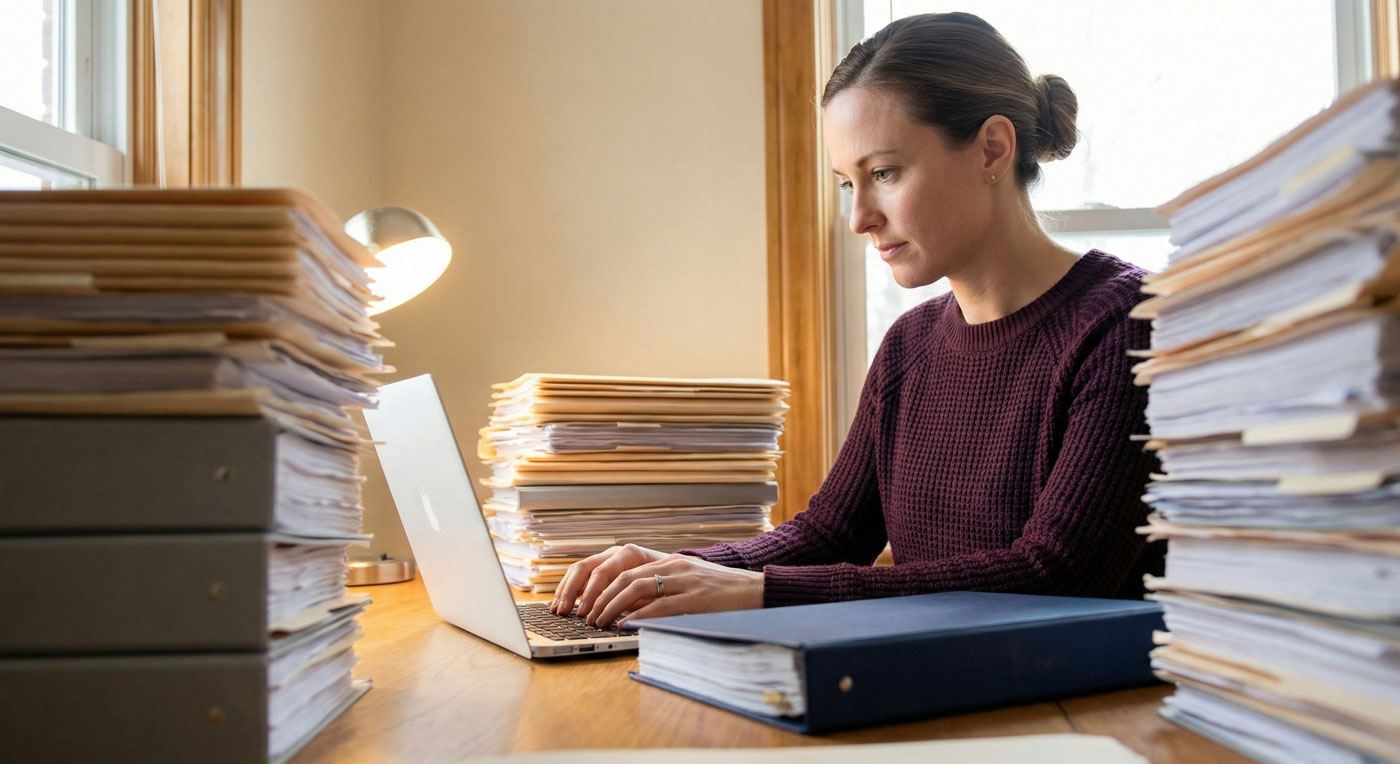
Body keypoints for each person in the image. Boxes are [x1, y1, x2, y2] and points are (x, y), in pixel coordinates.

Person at [550, 11, 1162, 628]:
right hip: (938, 688)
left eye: (884, 174)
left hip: (1077, 713)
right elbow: (832, 532)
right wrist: (663, 572)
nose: (859, 218)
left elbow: (1057, 575)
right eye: (848, 184)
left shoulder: (1128, 324)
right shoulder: (912, 343)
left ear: (992, 149)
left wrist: (759, 593)